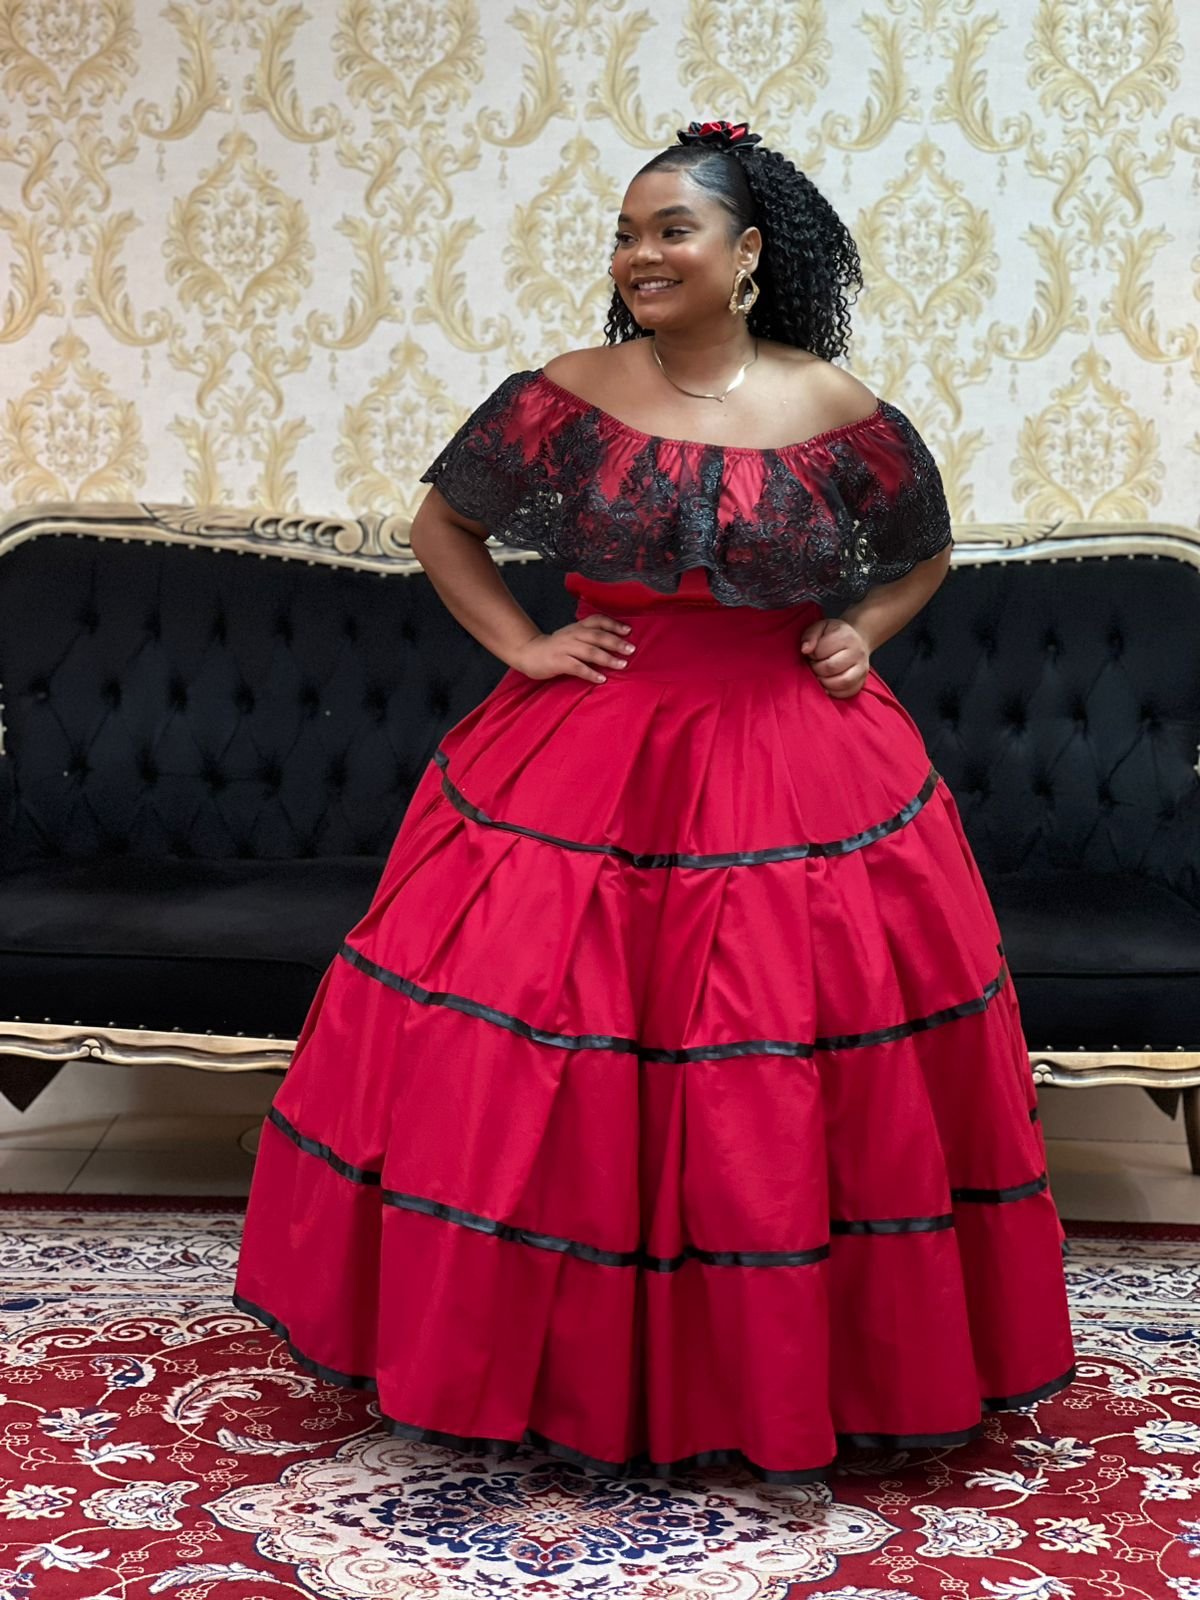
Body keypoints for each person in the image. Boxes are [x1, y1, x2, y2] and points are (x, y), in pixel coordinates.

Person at [234, 118, 1076, 1483]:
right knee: (540, 1055)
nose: (640, 254)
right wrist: (524, 646)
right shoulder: (564, 395)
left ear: (747, 254)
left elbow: (922, 550)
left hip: (797, 761)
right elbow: (443, 525)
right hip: (589, 756)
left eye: (671, 229)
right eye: (627, 233)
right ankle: (540, 1365)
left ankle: (781, 1372)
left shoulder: (836, 407)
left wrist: (861, 630)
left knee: (775, 1074)